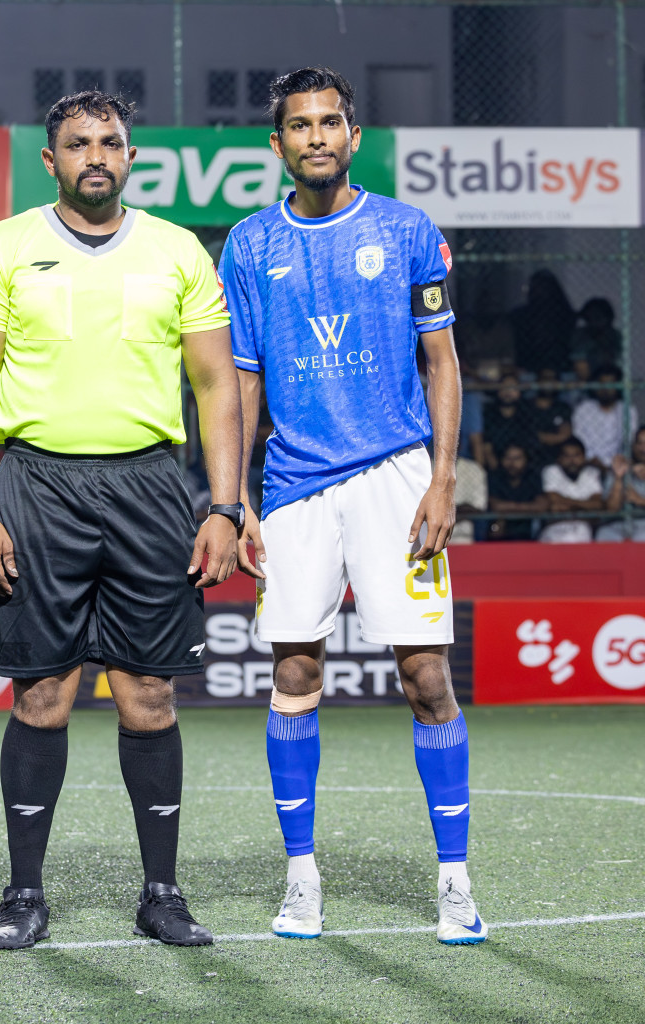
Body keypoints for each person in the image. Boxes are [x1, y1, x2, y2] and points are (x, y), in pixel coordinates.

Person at [0, 90, 242, 949]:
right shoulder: (6, 246)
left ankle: (161, 892)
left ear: (131, 155)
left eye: (110, 141)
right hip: (37, 486)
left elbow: (217, 384)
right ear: (51, 161)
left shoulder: (176, 250)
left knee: (150, 694)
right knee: (44, 692)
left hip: (151, 488)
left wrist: (224, 505)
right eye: (78, 144)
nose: (96, 156)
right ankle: (24, 895)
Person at [220, 67, 484, 945]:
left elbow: (441, 361)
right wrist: (239, 500)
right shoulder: (250, 245)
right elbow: (243, 379)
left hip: (398, 477)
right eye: (300, 126)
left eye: (331, 122)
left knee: (427, 677)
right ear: (279, 144)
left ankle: (455, 882)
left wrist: (444, 478)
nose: (317, 137)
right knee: (294, 678)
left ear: (354, 135)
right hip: (294, 487)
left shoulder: (407, 230)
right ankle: (302, 879)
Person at [539, 438, 605, 543]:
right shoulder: (551, 471)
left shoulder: (592, 472)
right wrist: (584, 507)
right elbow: (553, 499)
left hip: (583, 526)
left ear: (584, 457)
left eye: (576, 455)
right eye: (567, 456)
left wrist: (567, 505)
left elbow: (597, 504)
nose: (572, 461)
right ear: (559, 458)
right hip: (555, 525)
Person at [510, 269, 574, 377]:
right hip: (528, 364)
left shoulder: (564, 314)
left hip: (559, 364)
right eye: (536, 287)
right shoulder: (521, 315)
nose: (539, 291)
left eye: (543, 287)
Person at [571, 366, 638, 466]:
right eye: (602, 384)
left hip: (619, 463)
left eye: (610, 384)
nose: (606, 389)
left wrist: (615, 462)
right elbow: (579, 440)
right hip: (588, 463)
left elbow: (629, 441)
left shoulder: (627, 410)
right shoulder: (583, 409)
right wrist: (592, 459)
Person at [485, 444, 547, 541]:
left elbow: (541, 506)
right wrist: (528, 507)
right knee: (496, 527)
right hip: (501, 527)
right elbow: (496, 506)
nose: (512, 463)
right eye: (508, 458)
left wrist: (510, 507)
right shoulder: (495, 477)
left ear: (526, 460)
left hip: (527, 526)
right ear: (501, 459)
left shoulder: (532, 477)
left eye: (517, 458)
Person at [478, 374, 538, 472]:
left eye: (513, 388)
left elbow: (531, 443)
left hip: (523, 463)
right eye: (504, 387)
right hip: (496, 461)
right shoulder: (489, 413)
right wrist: (496, 468)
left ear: (519, 391)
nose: (508, 392)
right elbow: (486, 445)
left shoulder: (527, 413)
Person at [597, 428, 645, 541]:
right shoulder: (620, 467)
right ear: (633, 446)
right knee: (603, 535)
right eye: (639, 443)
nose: (643, 448)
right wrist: (618, 478)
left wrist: (640, 500)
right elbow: (612, 509)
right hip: (620, 523)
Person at [570, 297, 621, 380]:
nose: (594, 322)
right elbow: (578, 359)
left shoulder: (614, 335)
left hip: (607, 377)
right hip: (584, 378)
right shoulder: (580, 334)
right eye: (589, 318)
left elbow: (613, 358)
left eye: (598, 317)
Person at [450, 454, 486, 545]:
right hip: (433, 534)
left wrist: (448, 510)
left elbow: (479, 507)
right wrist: (461, 508)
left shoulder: (474, 469)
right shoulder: (429, 466)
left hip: (465, 536)